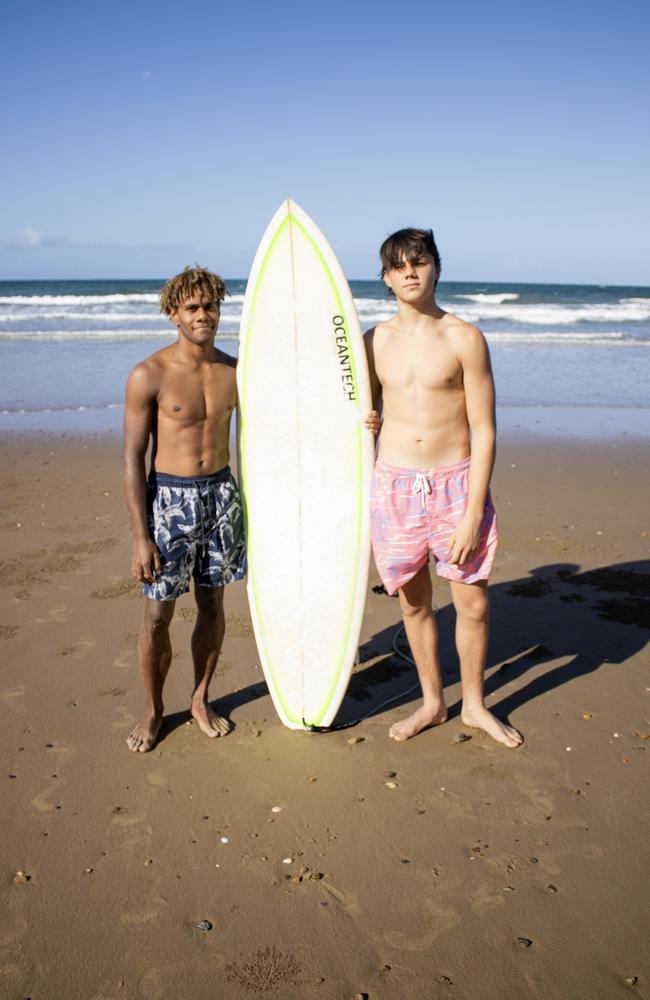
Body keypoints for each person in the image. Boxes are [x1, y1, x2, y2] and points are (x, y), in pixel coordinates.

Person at [364, 228, 522, 747]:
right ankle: (433, 702)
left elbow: (485, 429)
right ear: (386, 278)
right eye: (399, 265)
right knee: (414, 605)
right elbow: (356, 413)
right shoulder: (372, 342)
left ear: (436, 267)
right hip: (394, 486)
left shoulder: (464, 337)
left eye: (420, 260)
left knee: (472, 604)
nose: (410, 271)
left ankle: (474, 705)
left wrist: (474, 512)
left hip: (456, 486)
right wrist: (364, 427)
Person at [122, 266, 246, 753]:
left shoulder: (236, 371)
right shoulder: (148, 375)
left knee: (213, 605)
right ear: (173, 313)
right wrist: (140, 535)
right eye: (192, 308)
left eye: (210, 306)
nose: (203, 316)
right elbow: (132, 457)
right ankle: (154, 708)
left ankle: (199, 698)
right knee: (157, 614)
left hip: (221, 494)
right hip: (168, 499)